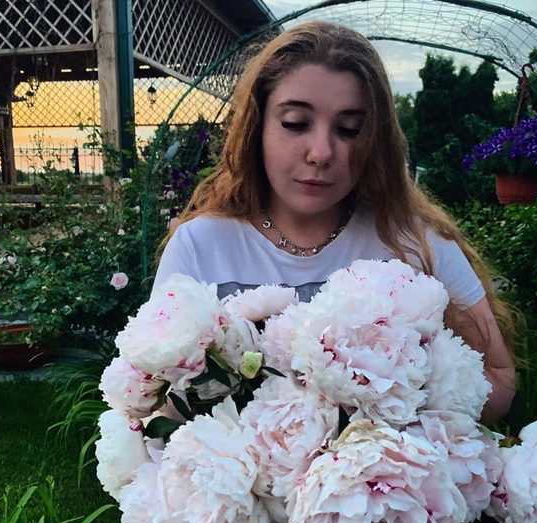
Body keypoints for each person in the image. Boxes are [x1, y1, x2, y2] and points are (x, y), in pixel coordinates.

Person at [152, 20, 516, 429]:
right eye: (295, 123)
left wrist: (393, 382)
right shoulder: (200, 245)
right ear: (256, 127)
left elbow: (500, 381)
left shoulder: (415, 243)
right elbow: (154, 392)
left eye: (349, 130)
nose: (321, 152)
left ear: (375, 140)